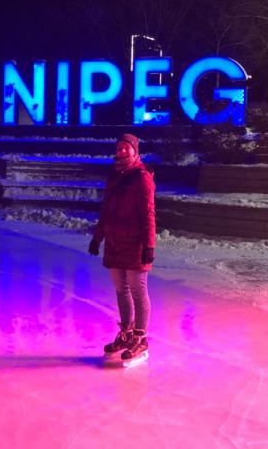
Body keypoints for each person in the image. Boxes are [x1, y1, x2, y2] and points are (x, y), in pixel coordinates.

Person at [88, 133, 156, 364]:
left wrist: (149, 246)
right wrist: (98, 238)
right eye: (118, 148)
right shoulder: (115, 176)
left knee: (138, 290)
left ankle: (141, 338)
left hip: (135, 242)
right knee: (121, 290)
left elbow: (148, 214)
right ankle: (126, 333)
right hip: (115, 243)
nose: (121, 152)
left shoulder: (142, 177)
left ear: (135, 151)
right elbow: (106, 210)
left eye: (126, 148)